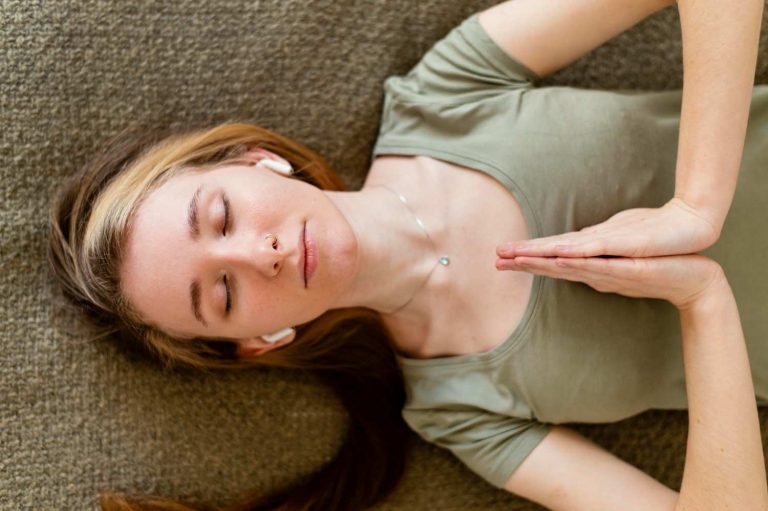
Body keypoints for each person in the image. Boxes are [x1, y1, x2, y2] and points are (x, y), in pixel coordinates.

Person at [46, 0, 768, 510]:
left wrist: (695, 208)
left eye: (222, 215)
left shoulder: (441, 95)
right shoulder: (461, 408)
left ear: (257, 159)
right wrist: (700, 298)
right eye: (224, 293)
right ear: (259, 341)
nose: (257, 252)